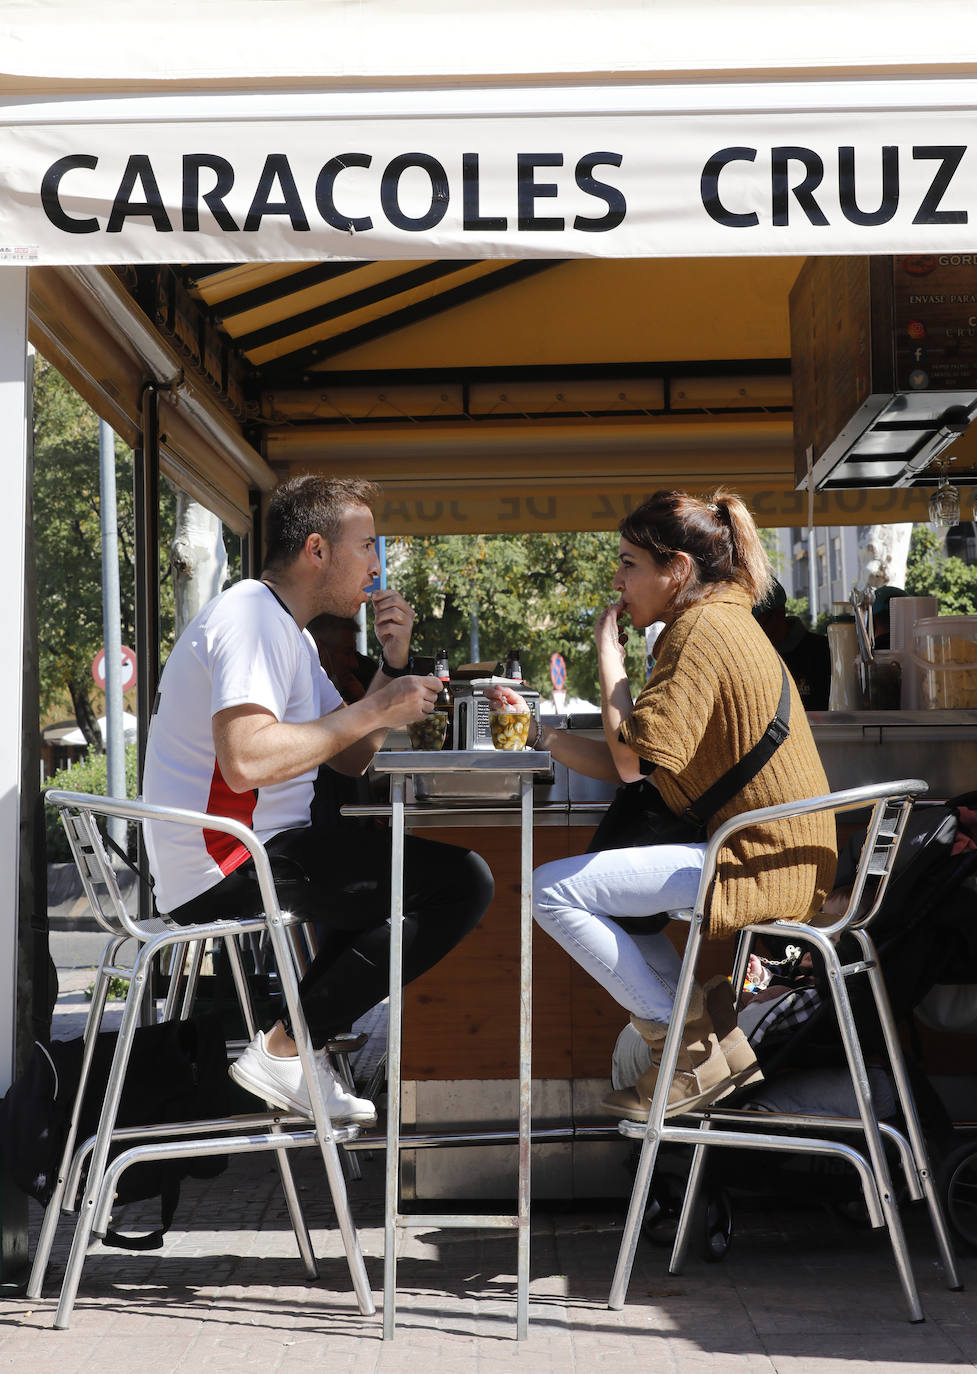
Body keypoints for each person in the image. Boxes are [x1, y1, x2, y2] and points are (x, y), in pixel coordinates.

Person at [143, 475, 494, 1125]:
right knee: (461, 882)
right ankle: (289, 1048)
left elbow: (350, 754)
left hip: (256, 852)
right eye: (365, 546)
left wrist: (392, 665)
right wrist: (380, 706)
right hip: (230, 860)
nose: (376, 565)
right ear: (316, 550)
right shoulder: (251, 617)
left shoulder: (289, 631)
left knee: (416, 884)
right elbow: (246, 761)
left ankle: (296, 1049)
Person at [488, 489, 837, 1122]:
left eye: (629, 564)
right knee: (597, 902)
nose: (617, 580)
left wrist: (609, 655)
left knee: (551, 892)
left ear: (676, 569)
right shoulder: (716, 622)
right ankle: (705, 1044)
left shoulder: (700, 632)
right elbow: (641, 763)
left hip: (760, 859)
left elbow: (628, 762)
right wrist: (541, 735)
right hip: (772, 852)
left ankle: (683, 1044)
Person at [752, 579, 831, 710]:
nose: (753, 633)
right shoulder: (750, 659)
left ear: (780, 613)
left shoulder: (823, 652)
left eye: (757, 624)